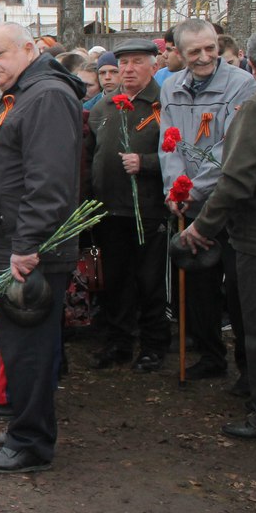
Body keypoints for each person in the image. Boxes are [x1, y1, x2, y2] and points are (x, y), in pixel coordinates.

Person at [0, 22, 84, 475]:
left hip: (27, 252)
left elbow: (49, 183)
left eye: (0, 54)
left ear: (30, 49)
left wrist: (27, 246)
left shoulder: (47, 95)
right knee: (17, 348)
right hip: (7, 244)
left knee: (30, 350)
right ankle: (24, 426)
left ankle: (31, 443)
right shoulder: (23, 93)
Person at [158, 18, 256, 383]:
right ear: (179, 53)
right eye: (194, 51)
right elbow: (168, 140)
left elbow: (230, 150)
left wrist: (193, 188)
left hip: (227, 203)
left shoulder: (242, 85)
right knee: (197, 284)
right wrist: (174, 188)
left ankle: (248, 370)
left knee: (237, 291)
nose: (204, 58)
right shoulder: (170, 87)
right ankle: (209, 354)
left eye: (210, 49)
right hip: (186, 200)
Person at [182, 32, 256, 434]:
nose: (205, 56)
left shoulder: (252, 104)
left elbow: (235, 177)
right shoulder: (179, 90)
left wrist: (202, 225)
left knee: (253, 322)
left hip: (249, 232)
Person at [85, 39, 171, 373]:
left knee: (149, 282)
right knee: (114, 281)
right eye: (123, 63)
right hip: (109, 211)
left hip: (147, 211)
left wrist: (147, 163)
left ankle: (153, 345)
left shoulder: (163, 105)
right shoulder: (104, 107)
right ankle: (118, 343)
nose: (129, 69)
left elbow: (180, 155)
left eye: (137, 62)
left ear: (153, 65)